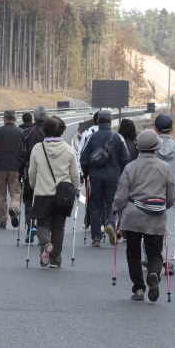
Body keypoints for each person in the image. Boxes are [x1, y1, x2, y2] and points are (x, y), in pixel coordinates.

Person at [113, 129, 175, 301]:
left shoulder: (130, 167)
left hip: (133, 214)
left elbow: (121, 195)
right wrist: (164, 206)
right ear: (156, 147)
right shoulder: (165, 167)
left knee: (133, 253)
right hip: (156, 214)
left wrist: (116, 208)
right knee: (155, 252)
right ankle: (154, 274)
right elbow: (171, 197)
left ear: (139, 147)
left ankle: (138, 289)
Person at [28, 116, 81, 268]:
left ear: (44, 131)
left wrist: (33, 185)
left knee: (42, 224)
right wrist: (77, 189)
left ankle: (45, 244)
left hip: (43, 194)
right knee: (58, 227)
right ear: (62, 131)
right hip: (63, 196)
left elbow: (32, 172)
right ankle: (55, 260)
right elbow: (75, 174)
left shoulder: (38, 148)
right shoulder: (68, 150)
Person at [80, 109, 130, 247]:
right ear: (111, 121)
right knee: (112, 204)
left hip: (95, 177)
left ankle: (96, 236)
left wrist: (85, 174)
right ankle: (110, 224)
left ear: (97, 121)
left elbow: (84, 159)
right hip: (113, 177)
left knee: (95, 206)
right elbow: (125, 160)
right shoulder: (117, 138)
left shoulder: (91, 137)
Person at [153, 114, 175, 275]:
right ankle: (169, 262)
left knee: (151, 227)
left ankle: (149, 258)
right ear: (172, 129)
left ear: (155, 129)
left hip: (153, 193)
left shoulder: (152, 148)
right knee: (171, 230)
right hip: (174, 194)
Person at [0, 110, 22, 229]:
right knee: (16, 192)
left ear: (3, 119)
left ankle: (2, 220)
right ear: (15, 119)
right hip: (15, 167)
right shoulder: (21, 133)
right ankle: (14, 208)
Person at [18, 105, 49, 243]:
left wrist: (20, 174)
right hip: (49, 174)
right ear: (47, 117)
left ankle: (31, 226)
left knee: (28, 201)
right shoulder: (51, 133)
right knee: (45, 202)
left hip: (31, 172)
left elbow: (21, 155)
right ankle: (44, 231)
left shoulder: (26, 133)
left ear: (34, 117)